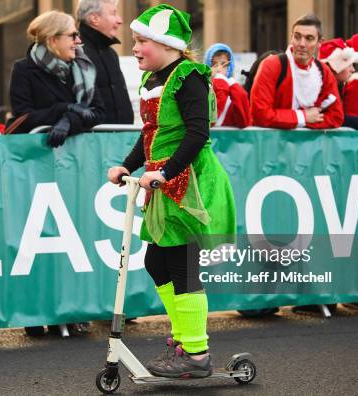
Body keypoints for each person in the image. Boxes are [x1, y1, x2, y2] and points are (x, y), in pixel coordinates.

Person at [107, 4, 236, 378]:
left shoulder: (189, 76)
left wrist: (165, 172)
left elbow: (198, 133)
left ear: (166, 45)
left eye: (142, 40)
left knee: (180, 264)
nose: (135, 47)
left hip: (190, 181)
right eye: (135, 40)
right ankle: (184, 339)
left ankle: (196, 353)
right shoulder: (153, 80)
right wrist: (127, 167)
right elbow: (149, 136)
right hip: (164, 180)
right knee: (155, 262)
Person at [8, 10, 105, 141]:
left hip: (77, 154)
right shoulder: (23, 69)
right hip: (37, 152)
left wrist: (69, 120)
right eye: (72, 35)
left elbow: (98, 113)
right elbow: (23, 117)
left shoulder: (83, 68)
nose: (78, 40)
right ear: (53, 40)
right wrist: (66, 108)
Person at [250, 14, 343, 130]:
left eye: (309, 38)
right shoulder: (272, 65)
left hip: (308, 146)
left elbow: (336, 117)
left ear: (320, 42)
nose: (301, 44)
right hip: (272, 145)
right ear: (291, 37)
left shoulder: (324, 71)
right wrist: (303, 117)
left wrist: (299, 121)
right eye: (297, 37)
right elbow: (260, 114)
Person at [76, 0, 133, 124]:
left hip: (122, 138)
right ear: (94, 19)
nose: (120, 20)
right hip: (94, 140)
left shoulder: (111, 54)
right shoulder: (76, 53)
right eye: (113, 13)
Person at [204, 43, 251, 127]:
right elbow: (211, 120)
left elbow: (243, 121)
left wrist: (233, 86)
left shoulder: (232, 89)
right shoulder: (202, 89)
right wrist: (220, 84)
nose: (219, 69)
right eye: (214, 65)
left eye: (224, 64)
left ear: (230, 67)